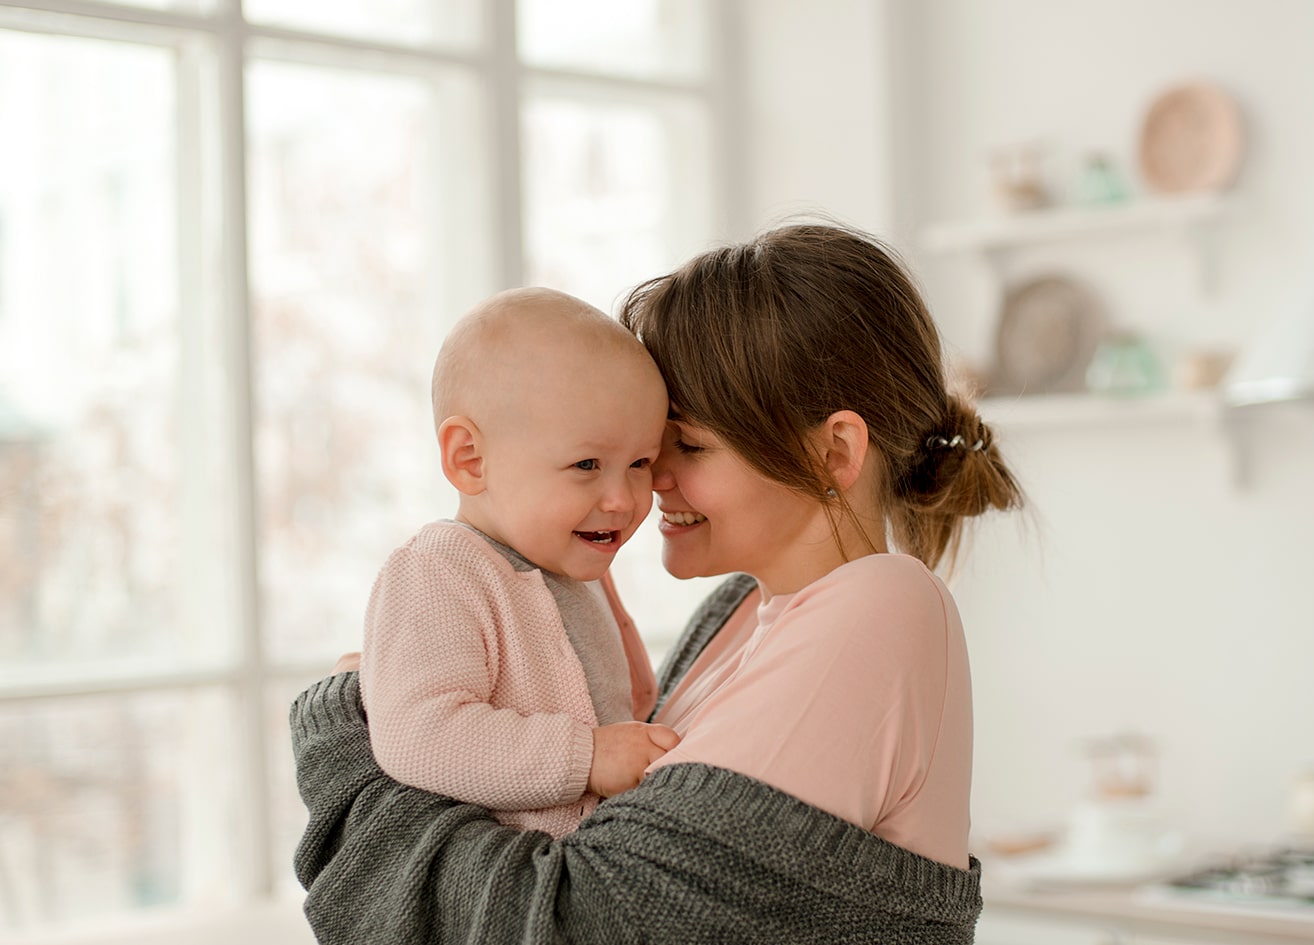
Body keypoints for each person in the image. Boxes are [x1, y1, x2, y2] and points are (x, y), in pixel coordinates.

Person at [290, 222, 1025, 944]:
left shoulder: (879, 607)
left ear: (834, 451)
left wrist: (346, 742)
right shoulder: (735, 614)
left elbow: (578, 917)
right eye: (643, 449)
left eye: (686, 445)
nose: (648, 483)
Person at [357, 286, 680, 841]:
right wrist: (587, 756)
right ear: (470, 459)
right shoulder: (437, 572)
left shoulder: (571, 564)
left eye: (640, 463)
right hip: (499, 885)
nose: (624, 499)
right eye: (586, 463)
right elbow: (419, 735)